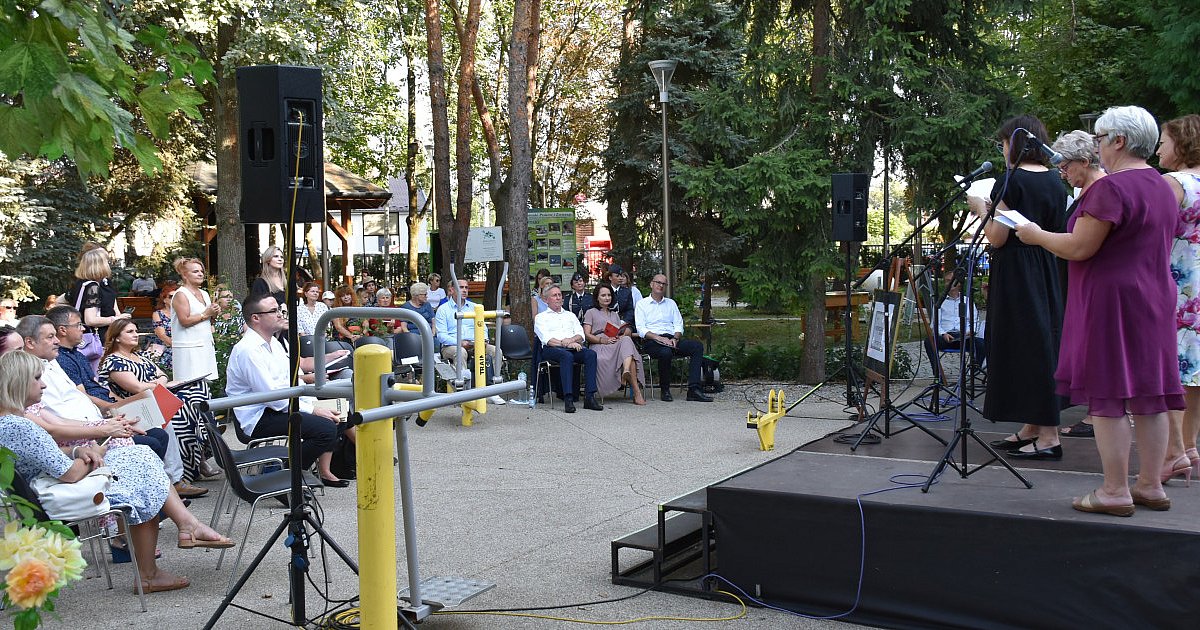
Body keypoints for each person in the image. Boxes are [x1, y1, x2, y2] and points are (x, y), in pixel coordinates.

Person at [1014, 105, 1183, 515]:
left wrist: (1036, 235)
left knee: (1108, 396)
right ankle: (1149, 486)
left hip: (1112, 300)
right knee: (1150, 395)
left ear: (1119, 141)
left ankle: (1113, 491)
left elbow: (1080, 247)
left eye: (1100, 138)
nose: (1097, 146)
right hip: (1155, 297)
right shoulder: (1162, 185)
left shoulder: (1109, 189)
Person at [0, 350, 233, 594]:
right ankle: (157, 563)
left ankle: (184, 530)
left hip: (48, 489)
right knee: (143, 479)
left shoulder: (11, 421)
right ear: (18, 382)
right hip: (58, 495)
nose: (44, 384)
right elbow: (69, 474)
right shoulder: (19, 425)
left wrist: (79, 450)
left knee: (141, 460)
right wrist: (94, 450)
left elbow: (49, 456)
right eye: (37, 378)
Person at [16, 314, 203, 498]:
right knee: (150, 443)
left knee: (169, 421)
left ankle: (165, 495)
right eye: (50, 337)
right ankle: (154, 500)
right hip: (85, 435)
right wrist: (104, 427)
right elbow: (55, 429)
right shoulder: (29, 380)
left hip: (97, 422)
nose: (83, 329)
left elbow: (73, 402)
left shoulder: (55, 362)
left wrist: (106, 423)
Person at [969, 114, 1066, 460]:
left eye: (1004, 142)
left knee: (1028, 346)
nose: (1003, 149)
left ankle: (1050, 435)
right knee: (1042, 340)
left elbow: (996, 238)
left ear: (1017, 143)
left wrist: (981, 208)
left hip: (1017, 272)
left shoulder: (1008, 183)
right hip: (1047, 265)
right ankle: (1033, 426)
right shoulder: (1057, 181)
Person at [226, 293, 353, 487]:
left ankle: (321, 470)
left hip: (278, 406)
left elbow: (291, 381)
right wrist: (314, 409)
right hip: (259, 417)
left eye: (279, 310)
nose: (280, 314)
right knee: (325, 428)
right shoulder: (248, 350)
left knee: (340, 412)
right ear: (256, 318)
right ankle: (284, 478)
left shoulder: (273, 343)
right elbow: (273, 397)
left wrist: (314, 404)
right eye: (274, 311)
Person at [99, 318, 213, 492]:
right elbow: (135, 387)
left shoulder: (139, 356)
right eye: (130, 332)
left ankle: (200, 453)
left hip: (152, 401)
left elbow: (163, 376)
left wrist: (156, 383)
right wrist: (158, 384)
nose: (136, 334)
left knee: (195, 395)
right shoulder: (114, 361)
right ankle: (176, 479)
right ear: (116, 337)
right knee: (172, 419)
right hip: (134, 408)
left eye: (136, 331)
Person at [1047, 130, 1109, 437]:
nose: (1063, 172)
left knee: (1095, 348)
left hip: (1091, 280)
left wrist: (1038, 235)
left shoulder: (1099, 192)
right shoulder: (1088, 191)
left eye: (1066, 165)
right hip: (1079, 277)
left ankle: (1098, 415)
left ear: (1084, 161)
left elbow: (1081, 244)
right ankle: (1096, 413)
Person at [1157, 113, 1200, 479]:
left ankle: (1174, 451)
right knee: (1194, 372)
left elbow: (1154, 232)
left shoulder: (1174, 183)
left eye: (1164, 142)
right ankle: (1190, 446)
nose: (1159, 148)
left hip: (1178, 282)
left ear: (1181, 144)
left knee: (1171, 370)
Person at [634, 273, 712, 402]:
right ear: (651, 284)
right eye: (658, 282)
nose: (661, 285)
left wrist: (675, 339)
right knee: (665, 352)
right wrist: (660, 338)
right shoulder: (642, 304)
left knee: (696, 347)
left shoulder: (671, 304)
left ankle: (694, 389)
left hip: (671, 339)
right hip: (652, 341)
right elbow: (641, 329)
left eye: (664, 284)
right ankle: (665, 390)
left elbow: (678, 325)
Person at [434, 279, 506, 405]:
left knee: (496, 351)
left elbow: (483, 328)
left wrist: (483, 340)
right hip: (452, 345)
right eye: (460, 287)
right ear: (451, 290)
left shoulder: (474, 307)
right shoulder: (443, 309)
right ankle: (462, 391)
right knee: (460, 351)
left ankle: (493, 390)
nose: (465, 290)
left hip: (475, 342)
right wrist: (459, 342)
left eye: (466, 287)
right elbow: (441, 336)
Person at [534, 285, 602, 413]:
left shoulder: (570, 315)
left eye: (560, 295)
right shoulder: (541, 317)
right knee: (567, 356)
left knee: (590, 355)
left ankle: (590, 397)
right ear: (547, 299)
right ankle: (568, 398)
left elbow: (580, 335)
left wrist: (571, 341)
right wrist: (566, 344)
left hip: (572, 346)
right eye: (554, 295)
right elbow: (547, 339)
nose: (558, 298)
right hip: (552, 349)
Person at [67, 246, 130, 372]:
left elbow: (59, 301)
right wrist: (116, 319)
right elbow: (90, 320)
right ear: (99, 264)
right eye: (106, 261)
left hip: (82, 336)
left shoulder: (81, 284)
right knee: (98, 372)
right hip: (97, 338)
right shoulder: (93, 287)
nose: (108, 264)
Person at [583, 284, 646, 404]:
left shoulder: (614, 314)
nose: (607, 298)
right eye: (603, 295)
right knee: (630, 356)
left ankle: (626, 371)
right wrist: (603, 340)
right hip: (599, 345)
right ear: (597, 297)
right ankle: (636, 391)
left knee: (626, 339)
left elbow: (619, 331)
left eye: (609, 295)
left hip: (615, 343)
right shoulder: (590, 312)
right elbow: (587, 335)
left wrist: (623, 333)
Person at [923, 269, 986, 382]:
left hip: (964, 336)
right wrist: (943, 333)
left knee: (982, 344)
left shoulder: (967, 301)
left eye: (952, 280)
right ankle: (938, 375)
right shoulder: (940, 302)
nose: (950, 283)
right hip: (947, 336)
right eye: (947, 281)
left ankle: (974, 372)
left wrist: (969, 331)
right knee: (929, 341)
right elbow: (935, 323)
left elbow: (975, 321)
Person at [171, 257, 220, 382]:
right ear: (184, 275)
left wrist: (214, 313)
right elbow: (184, 321)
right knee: (189, 386)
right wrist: (205, 314)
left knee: (205, 385)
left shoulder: (204, 293)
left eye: (201, 271)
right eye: (195, 271)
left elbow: (208, 320)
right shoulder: (181, 294)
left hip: (204, 345)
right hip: (188, 349)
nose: (200, 274)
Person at [146, 283, 176, 375]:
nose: (174, 299)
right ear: (164, 299)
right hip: (165, 346)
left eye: (176, 296)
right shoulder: (158, 314)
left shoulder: (182, 314)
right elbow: (161, 335)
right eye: (171, 296)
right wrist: (177, 346)